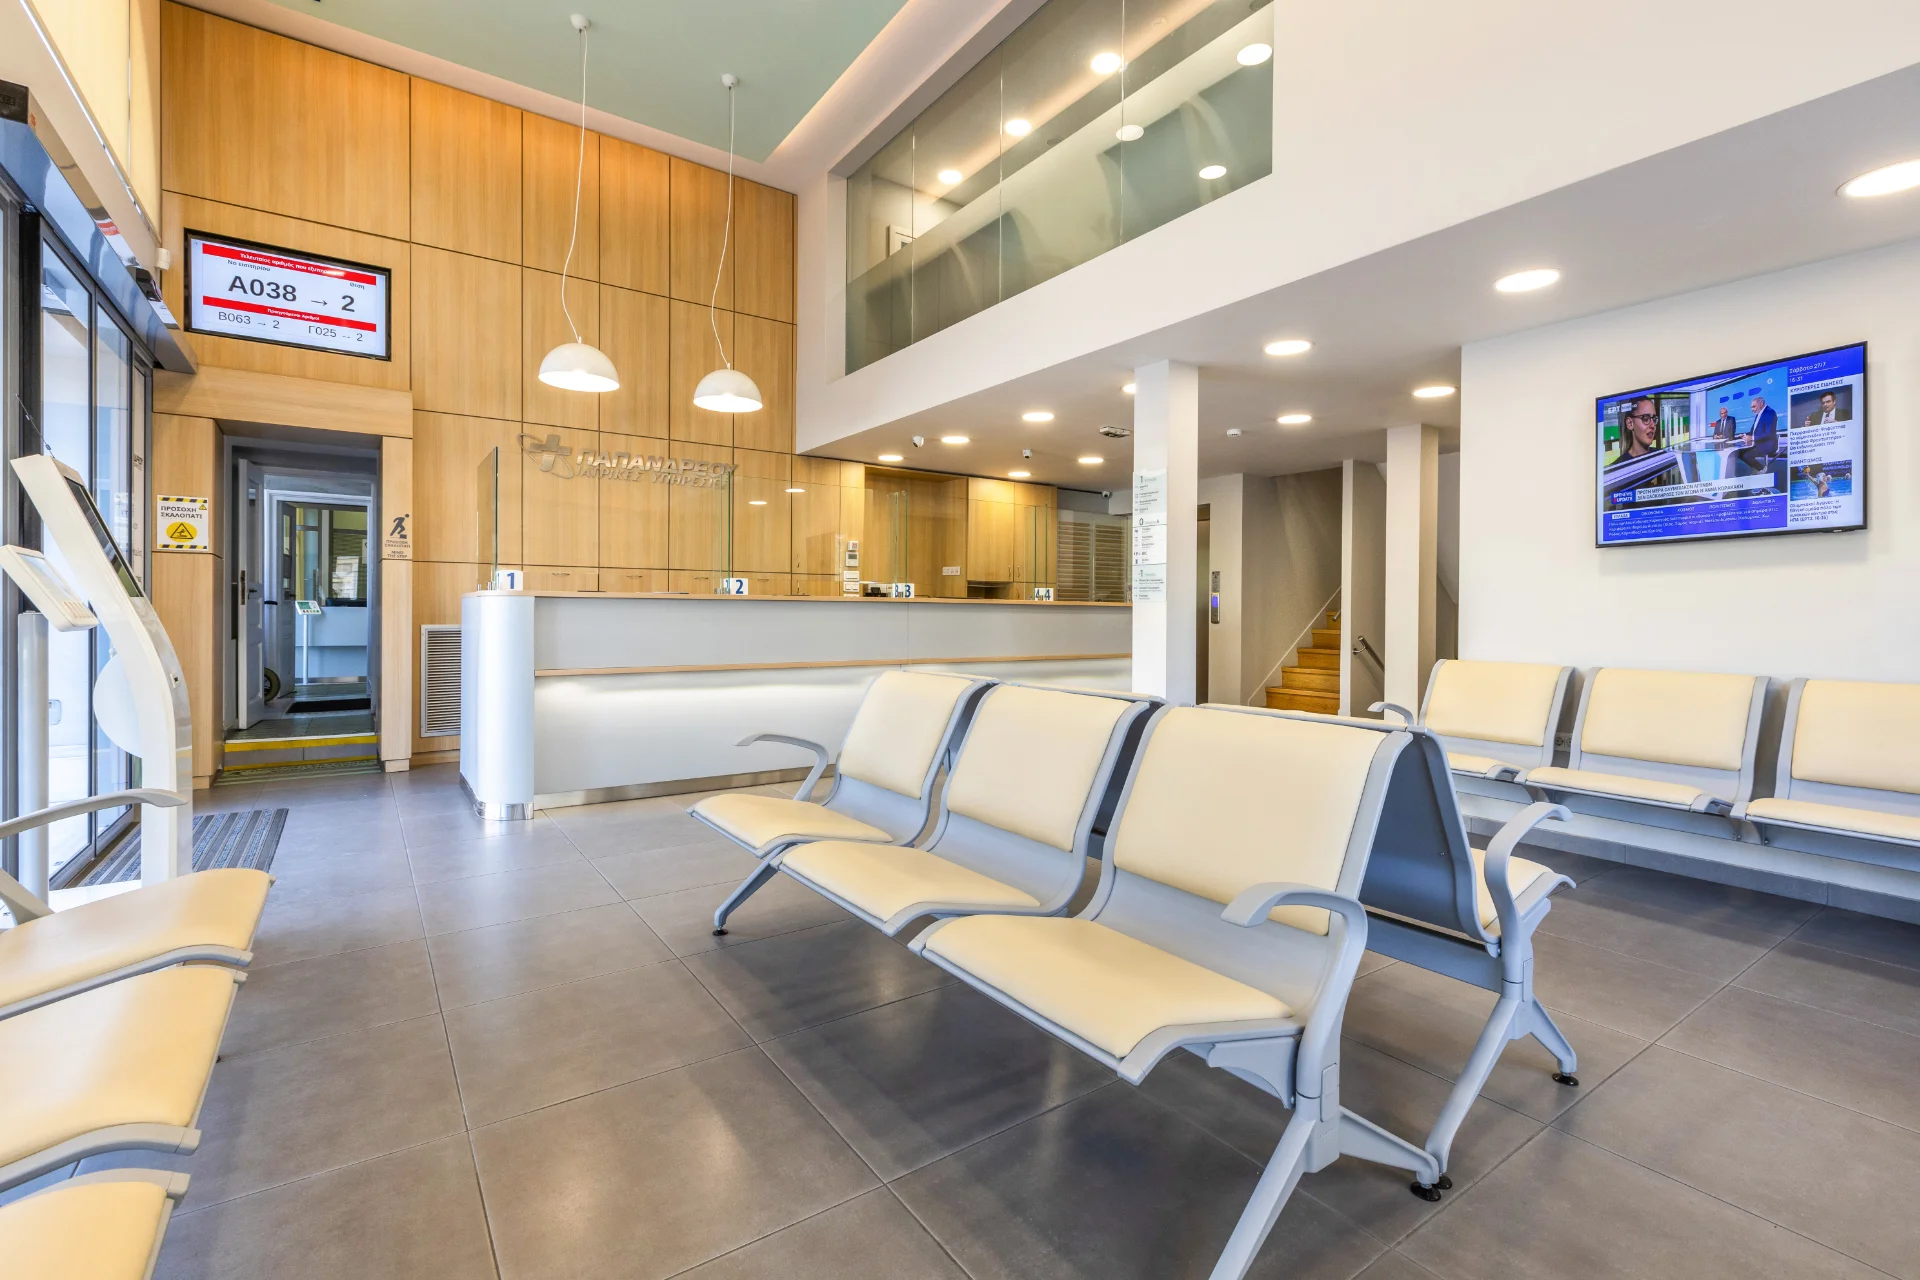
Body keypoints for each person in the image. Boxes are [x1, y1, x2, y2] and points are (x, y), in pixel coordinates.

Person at [1734, 394, 1779, 478]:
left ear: (1761, 404)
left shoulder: (1770, 412)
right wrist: (1745, 435)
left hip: (1768, 444)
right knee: (1738, 452)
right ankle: (1756, 468)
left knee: (1747, 455)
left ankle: (1761, 469)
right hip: (1759, 442)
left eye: (1754, 407)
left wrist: (1752, 438)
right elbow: (1753, 431)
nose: (1752, 410)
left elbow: (1769, 433)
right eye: (1751, 407)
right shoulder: (1759, 413)